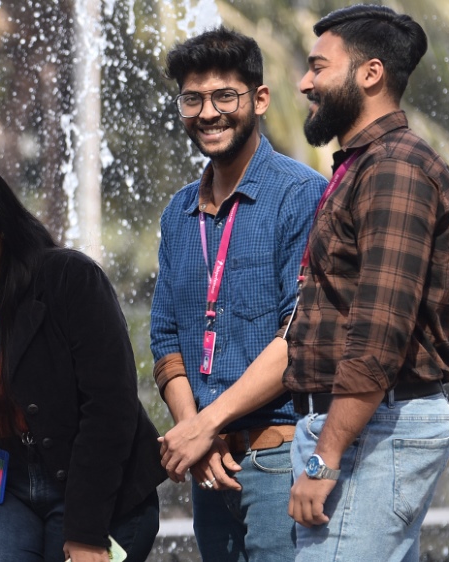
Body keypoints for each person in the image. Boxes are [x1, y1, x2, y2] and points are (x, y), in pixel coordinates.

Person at [285, 5, 449, 561]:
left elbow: (380, 331)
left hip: (371, 429)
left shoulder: (393, 168)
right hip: (366, 425)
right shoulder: (367, 165)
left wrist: (325, 457)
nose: (305, 81)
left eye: (318, 67)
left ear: (370, 74)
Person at [0, 162, 163, 562]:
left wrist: (86, 532)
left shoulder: (70, 278)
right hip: (3, 483)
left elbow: (110, 407)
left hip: (91, 483)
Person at [148, 27, 327, 562]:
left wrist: (204, 425)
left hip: (277, 459)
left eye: (225, 95)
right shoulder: (177, 212)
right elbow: (165, 337)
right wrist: (194, 432)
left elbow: (296, 339)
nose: (208, 112)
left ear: (260, 99)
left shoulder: (301, 195)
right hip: (210, 465)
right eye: (193, 98)